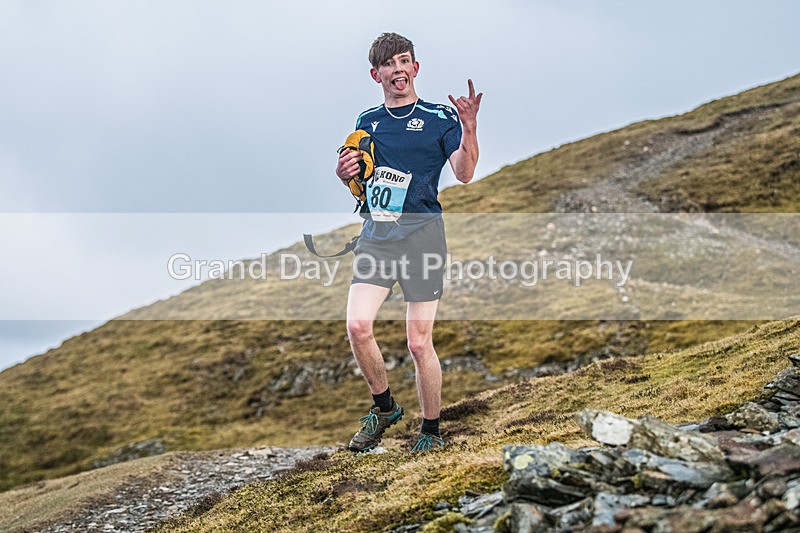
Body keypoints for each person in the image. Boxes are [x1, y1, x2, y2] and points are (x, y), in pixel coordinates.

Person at [336, 32, 482, 453]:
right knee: (358, 326)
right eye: (389, 64)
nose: (398, 69)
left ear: (415, 67)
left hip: (423, 237)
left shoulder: (440, 117)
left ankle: (431, 432)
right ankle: (384, 408)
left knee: (419, 343)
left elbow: (465, 172)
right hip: (378, 236)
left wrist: (469, 128)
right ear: (375, 73)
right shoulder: (367, 121)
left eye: (404, 61)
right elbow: (357, 176)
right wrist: (344, 172)